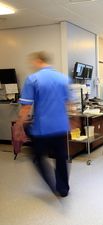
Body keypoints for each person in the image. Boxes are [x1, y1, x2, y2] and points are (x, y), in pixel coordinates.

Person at [16, 51, 70, 197]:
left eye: (33, 61)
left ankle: (51, 183)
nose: (31, 65)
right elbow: (69, 103)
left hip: (42, 128)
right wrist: (74, 121)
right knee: (61, 157)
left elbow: (26, 107)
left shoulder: (33, 79)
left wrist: (19, 125)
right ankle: (63, 188)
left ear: (39, 61)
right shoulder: (63, 78)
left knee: (38, 157)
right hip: (60, 126)